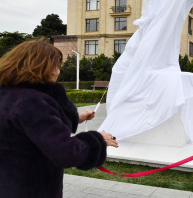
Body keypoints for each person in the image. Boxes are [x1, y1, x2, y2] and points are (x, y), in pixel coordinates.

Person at [0, 38, 118, 198]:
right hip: (31, 188)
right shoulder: (33, 102)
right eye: (56, 66)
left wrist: (77, 118)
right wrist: (98, 140)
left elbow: (31, 129)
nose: (58, 71)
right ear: (41, 67)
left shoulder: (8, 95)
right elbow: (66, 152)